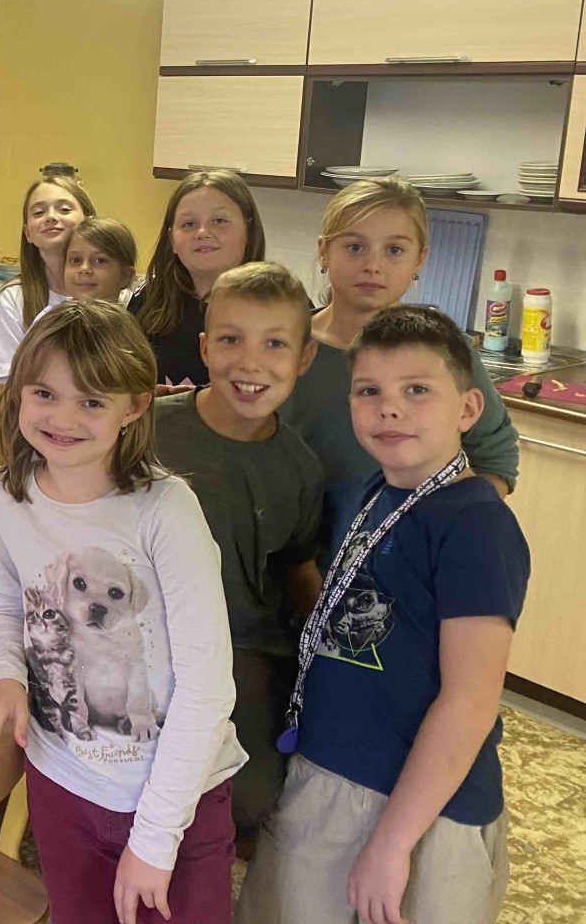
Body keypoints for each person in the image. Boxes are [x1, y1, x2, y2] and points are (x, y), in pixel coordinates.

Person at [0, 299, 245, 924]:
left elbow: (208, 687)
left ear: (133, 406)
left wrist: (155, 837)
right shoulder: (5, 496)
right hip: (61, 782)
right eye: (44, 393)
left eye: (91, 401)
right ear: (18, 391)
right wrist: (3, 676)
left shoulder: (165, 511)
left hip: (178, 799)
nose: (62, 418)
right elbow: (10, 607)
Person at [236, 305, 529, 924]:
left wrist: (393, 844)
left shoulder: (476, 524)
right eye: (369, 391)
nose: (389, 408)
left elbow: (470, 701)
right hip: (328, 772)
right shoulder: (363, 495)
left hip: (418, 809)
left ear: (468, 409)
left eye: (417, 390)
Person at [152, 262, 324, 853]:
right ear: (204, 348)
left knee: (247, 802)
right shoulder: (148, 430)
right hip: (145, 631)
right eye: (231, 340)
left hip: (241, 648)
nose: (250, 364)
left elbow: (297, 569)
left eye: (275, 344)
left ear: (304, 357)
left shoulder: (301, 468)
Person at [281, 177, 519, 496]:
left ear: (419, 258)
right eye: (354, 247)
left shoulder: (444, 349)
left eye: (394, 250)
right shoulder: (281, 345)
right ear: (324, 252)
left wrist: (455, 518)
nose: (372, 265)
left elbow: (496, 458)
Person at [129, 170, 266, 390]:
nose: (202, 232)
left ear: (249, 231)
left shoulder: (281, 304)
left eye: (219, 221)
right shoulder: (147, 300)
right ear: (172, 240)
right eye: (189, 224)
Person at [0, 168, 94, 384]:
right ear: (27, 233)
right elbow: (12, 386)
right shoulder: (13, 299)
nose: (51, 217)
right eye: (38, 213)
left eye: (64, 209)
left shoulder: (120, 291)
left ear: (89, 221)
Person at [65, 216, 138, 304]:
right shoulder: (52, 312)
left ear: (125, 276)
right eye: (76, 260)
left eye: (100, 260)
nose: (84, 269)